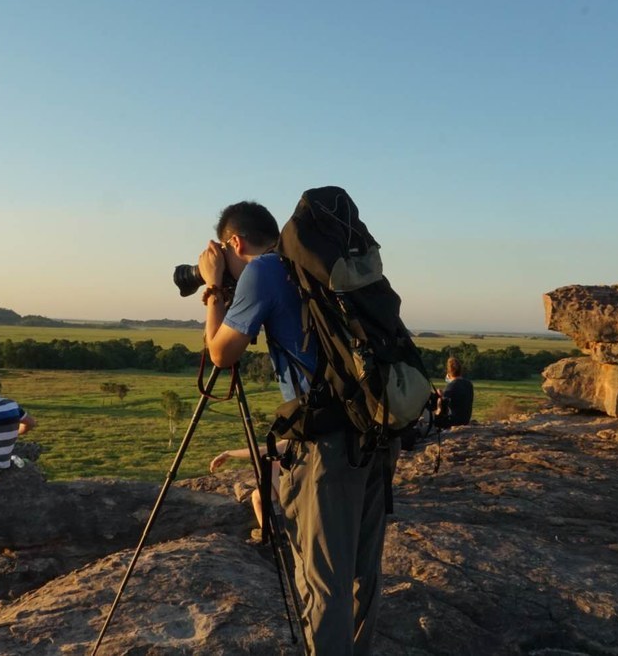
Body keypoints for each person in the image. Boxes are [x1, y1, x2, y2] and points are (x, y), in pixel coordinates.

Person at [197, 200, 396, 656]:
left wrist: (212, 289)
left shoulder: (263, 271)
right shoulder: (321, 267)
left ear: (233, 242)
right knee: (362, 572)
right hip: (376, 426)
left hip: (326, 443)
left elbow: (222, 354)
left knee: (323, 579)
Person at [209, 440, 289, 529]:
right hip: (301, 490)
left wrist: (227, 454)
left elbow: (261, 452)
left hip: (296, 499)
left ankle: (276, 525)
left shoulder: (296, 440)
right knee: (257, 495)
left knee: (269, 461)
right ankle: (276, 522)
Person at [438, 356, 473, 428]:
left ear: (448, 372)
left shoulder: (451, 386)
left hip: (454, 421)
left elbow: (442, 407)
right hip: (466, 420)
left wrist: (440, 397)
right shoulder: (468, 384)